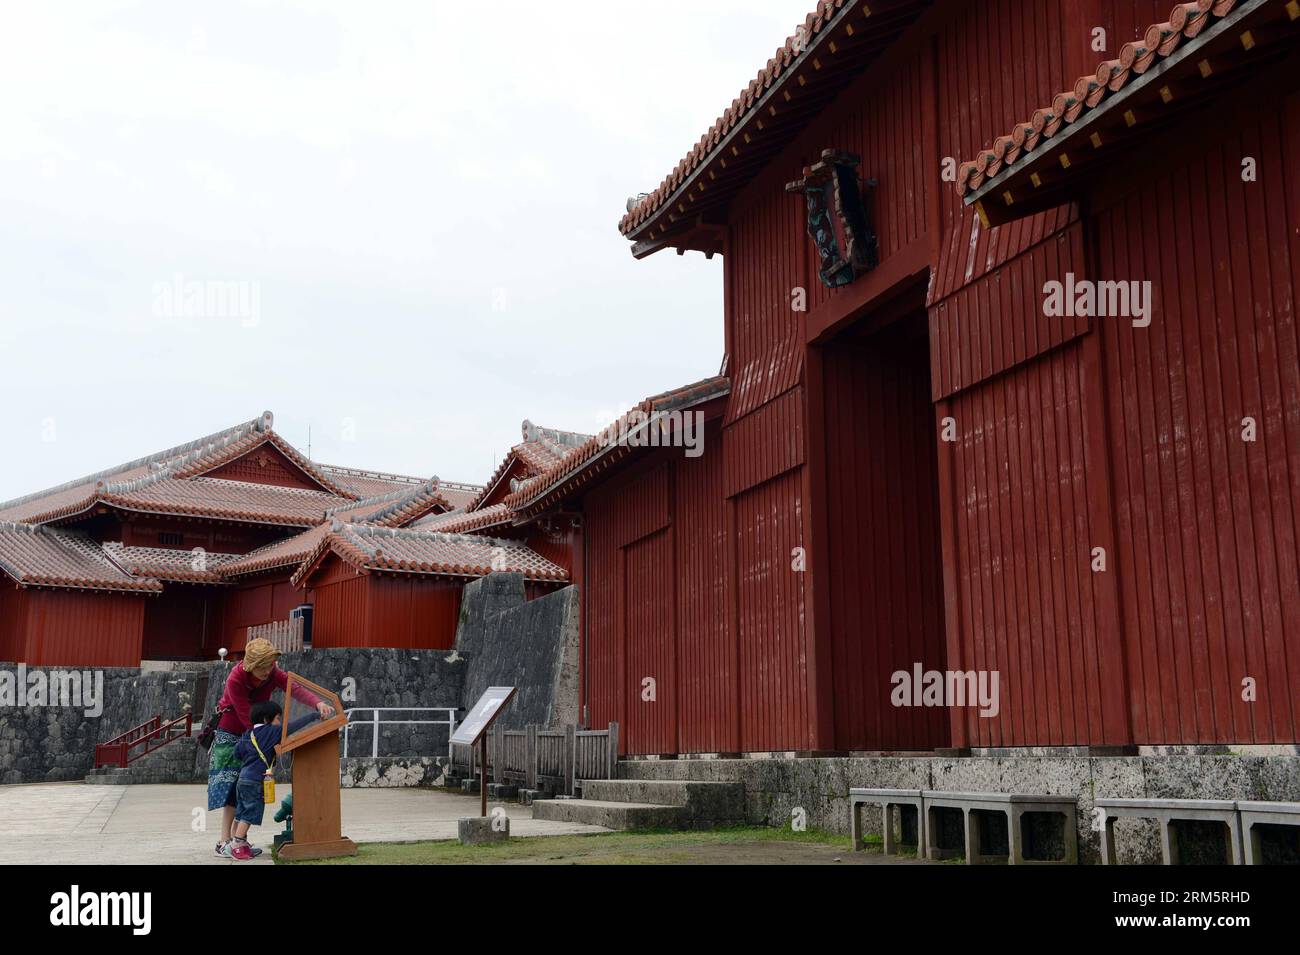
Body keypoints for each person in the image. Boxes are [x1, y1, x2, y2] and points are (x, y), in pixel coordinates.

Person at [206, 638, 334, 857]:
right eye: (263, 668)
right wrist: (263, 741)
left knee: (244, 788)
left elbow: (293, 687)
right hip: (234, 731)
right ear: (251, 665)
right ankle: (224, 841)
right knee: (232, 788)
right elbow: (247, 715)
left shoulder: (273, 672)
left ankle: (239, 840)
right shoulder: (236, 679)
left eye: (270, 665)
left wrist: (317, 703)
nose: (268, 671)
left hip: (256, 733)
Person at [229, 700, 319, 860]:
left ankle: (237, 844)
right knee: (250, 814)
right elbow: (292, 727)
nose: (279, 723)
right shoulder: (271, 731)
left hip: (242, 779)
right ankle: (237, 845)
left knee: (241, 812)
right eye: (277, 718)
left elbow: (237, 753)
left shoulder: (247, 734)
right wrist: (314, 715)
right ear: (266, 719)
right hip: (255, 780)